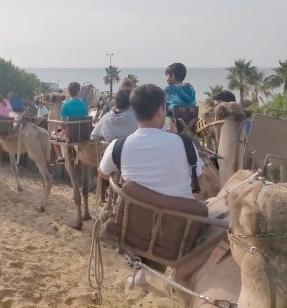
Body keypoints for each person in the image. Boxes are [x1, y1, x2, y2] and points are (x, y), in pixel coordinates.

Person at [99, 84, 203, 285]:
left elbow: (103, 173)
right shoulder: (185, 144)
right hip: (178, 237)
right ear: (161, 110)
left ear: (134, 111)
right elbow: (198, 176)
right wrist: (176, 137)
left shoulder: (119, 146)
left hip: (134, 232)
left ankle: (140, 272)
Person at [54, 82, 89, 162]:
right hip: (84, 134)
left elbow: (62, 122)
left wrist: (64, 128)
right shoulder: (84, 104)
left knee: (53, 135)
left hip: (71, 135)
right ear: (78, 91)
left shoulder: (66, 105)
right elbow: (86, 118)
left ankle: (60, 157)